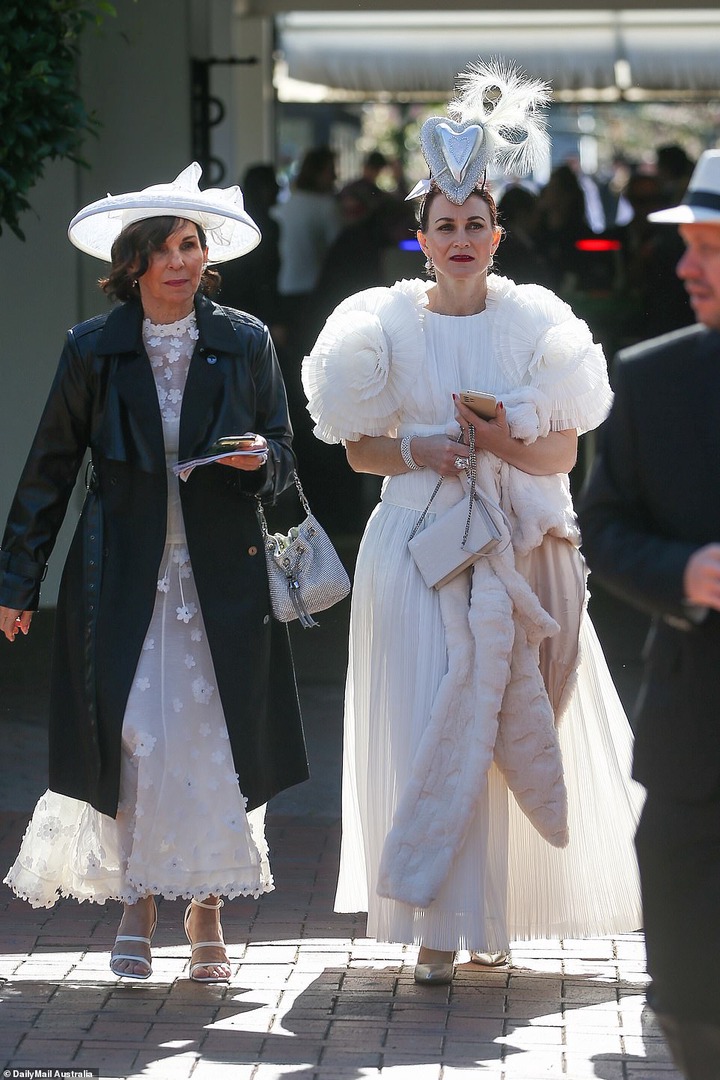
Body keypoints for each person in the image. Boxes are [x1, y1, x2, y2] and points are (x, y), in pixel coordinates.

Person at [302, 60, 643, 985]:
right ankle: (434, 925)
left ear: (497, 234)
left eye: (475, 224)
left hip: (511, 545)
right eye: (444, 226)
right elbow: (357, 451)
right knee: (424, 718)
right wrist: (422, 450)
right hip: (413, 549)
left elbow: (564, 453)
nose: (461, 238)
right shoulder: (377, 327)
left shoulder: (537, 323)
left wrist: (501, 437)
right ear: (421, 238)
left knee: (502, 720)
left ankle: (490, 911)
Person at [0, 163, 308, 982]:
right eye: (167, 247)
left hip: (224, 574)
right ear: (133, 262)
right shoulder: (92, 348)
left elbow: (282, 451)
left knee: (213, 741)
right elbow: (50, 466)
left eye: (193, 244)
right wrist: (16, 581)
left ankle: (205, 911)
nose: (182, 260)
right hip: (120, 571)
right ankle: (136, 903)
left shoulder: (244, 341)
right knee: (131, 738)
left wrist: (257, 458)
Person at [577, 149, 720, 1078]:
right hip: (694, 745)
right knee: (690, 990)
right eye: (690, 245)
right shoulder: (653, 378)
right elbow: (604, 527)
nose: (684, 265)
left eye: (709, 246)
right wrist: (683, 573)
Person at [217, 163, 283, 338]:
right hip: (254, 305)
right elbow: (264, 276)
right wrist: (274, 319)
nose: (278, 189)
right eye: (273, 184)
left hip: (228, 302)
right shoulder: (267, 227)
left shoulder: (234, 220)